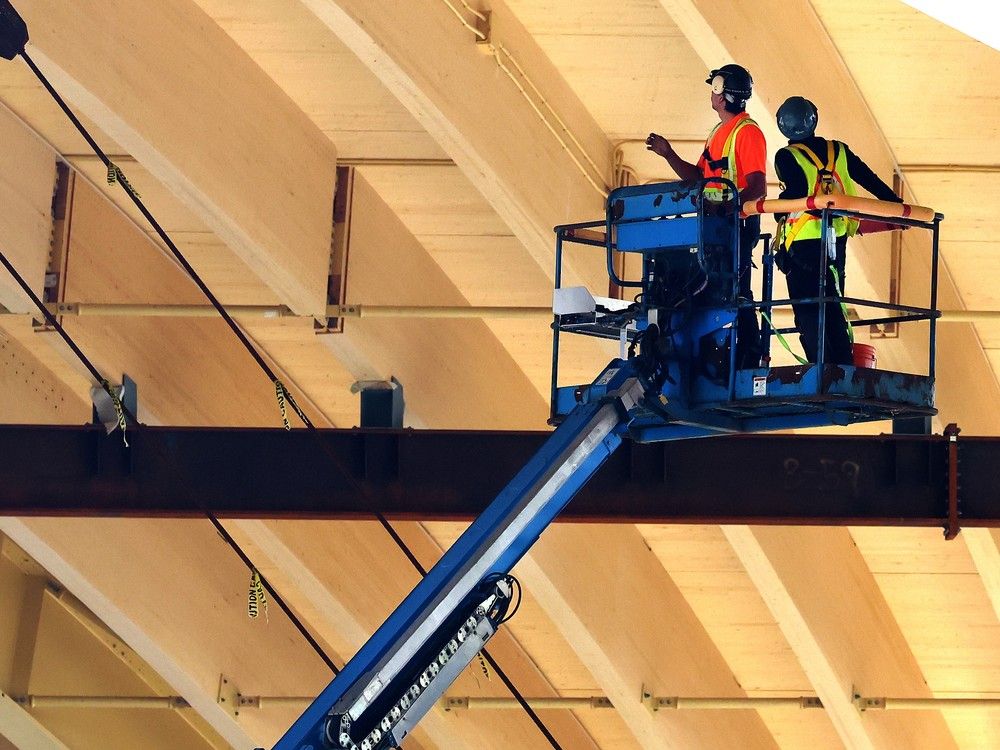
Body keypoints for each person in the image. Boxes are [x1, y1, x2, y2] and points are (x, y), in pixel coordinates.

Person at [645, 64, 767, 369]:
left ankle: (750, 354)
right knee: (710, 285)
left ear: (721, 94)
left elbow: (757, 187)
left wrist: (727, 208)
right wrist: (669, 154)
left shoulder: (747, 133)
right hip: (713, 225)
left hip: (735, 224)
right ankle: (711, 352)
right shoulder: (719, 132)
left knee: (736, 289)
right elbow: (699, 177)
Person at [773, 95, 902, 365]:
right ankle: (842, 367)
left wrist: (775, 208)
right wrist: (895, 205)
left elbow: (797, 191)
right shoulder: (838, 150)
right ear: (814, 119)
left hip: (803, 245)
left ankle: (820, 369)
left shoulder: (787, 157)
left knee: (808, 310)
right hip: (836, 239)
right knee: (833, 304)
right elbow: (868, 178)